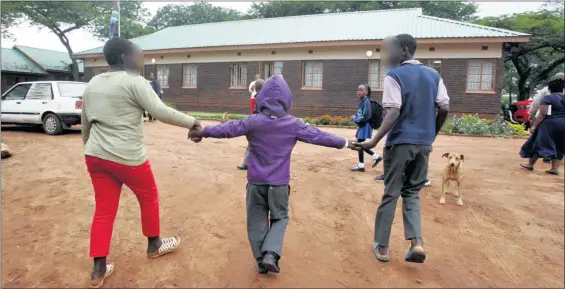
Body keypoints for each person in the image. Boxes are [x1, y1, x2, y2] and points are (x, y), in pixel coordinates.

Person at [189, 75, 356, 274]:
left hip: (256, 182)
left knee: (256, 220)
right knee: (280, 218)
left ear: (261, 98)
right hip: (279, 184)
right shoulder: (293, 124)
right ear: (287, 100)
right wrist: (345, 143)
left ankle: (261, 260)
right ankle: (271, 253)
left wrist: (203, 132)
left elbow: (228, 128)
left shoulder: (253, 121)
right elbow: (318, 136)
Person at [81, 37, 201, 288]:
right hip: (128, 157)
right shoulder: (134, 81)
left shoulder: (92, 83)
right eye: (139, 55)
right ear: (124, 58)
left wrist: (89, 151)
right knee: (149, 195)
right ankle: (154, 244)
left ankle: (98, 269)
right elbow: (160, 111)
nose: (142, 60)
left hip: (95, 156)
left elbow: (85, 122)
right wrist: (193, 122)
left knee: (104, 209)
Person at [355, 34, 450, 263]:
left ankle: (383, 247)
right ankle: (416, 243)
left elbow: (394, 111)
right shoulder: (434, 75)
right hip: (423, 145)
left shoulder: (394, 76)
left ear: (405, 50)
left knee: (391, 193)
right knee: (412, 193)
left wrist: (374, 141)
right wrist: (431, 134)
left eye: (391, 50)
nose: (387, 56)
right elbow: (444, 107)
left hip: (399, 144)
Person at [520, 75, 565, 175]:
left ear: (550, 88)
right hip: (563, 124)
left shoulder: (548, 98)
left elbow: (542, 114)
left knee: (538, 142)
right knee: (560, 145)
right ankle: (554, 168)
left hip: (549, 124)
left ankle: (530, 164)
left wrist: (534, 126)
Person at [529, 72, 564, 163]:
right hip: (562, 121)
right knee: (559, 143)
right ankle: (554, 167)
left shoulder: (547, 91)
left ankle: (535, 161)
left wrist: (532, 115)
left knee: (541, 140)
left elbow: (538, 106)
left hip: (547, 120)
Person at [351, 84, 382, 172]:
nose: (359, 92)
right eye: (358, 90)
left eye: (361, 90)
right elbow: (361, 113)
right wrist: (355, 117)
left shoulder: (366, 101)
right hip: (363, 125)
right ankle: (375, 157)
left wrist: (356, 119)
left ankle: (362, 165)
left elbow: (367, 116)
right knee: (359, 144)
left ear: (366, 92)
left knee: (359, 144)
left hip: (365, 125)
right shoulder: (362, 101)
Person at [238, 78, 264, 170]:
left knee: (252, 144)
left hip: (258, 124)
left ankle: (246, 164)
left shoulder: (259, 98)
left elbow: (257, 112)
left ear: (256, 88)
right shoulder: (265, 97)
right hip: (265, 124)